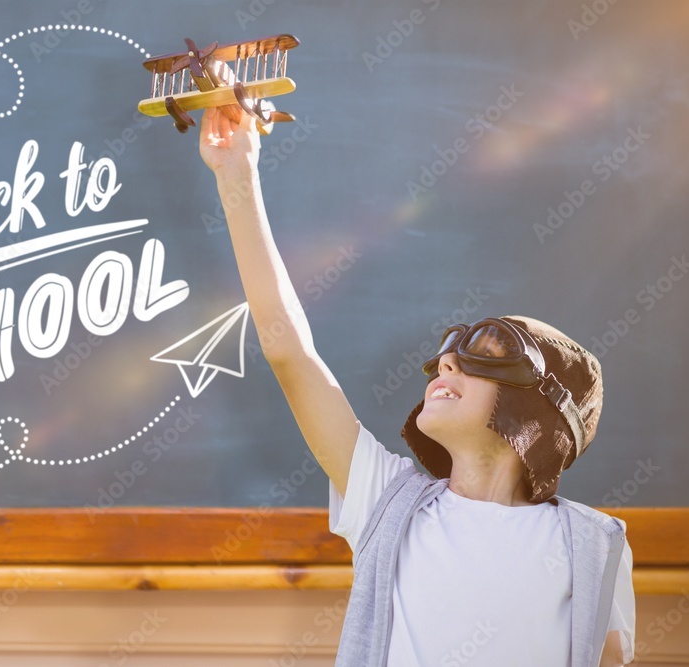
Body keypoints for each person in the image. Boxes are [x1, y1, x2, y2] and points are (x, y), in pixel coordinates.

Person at [197, 108, 635, 666]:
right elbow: (289, 351)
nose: (445, 362)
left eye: (483, 353)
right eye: (448, 351)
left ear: (538, 408)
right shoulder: (387, 501)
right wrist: (237, 176)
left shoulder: (593, 547)